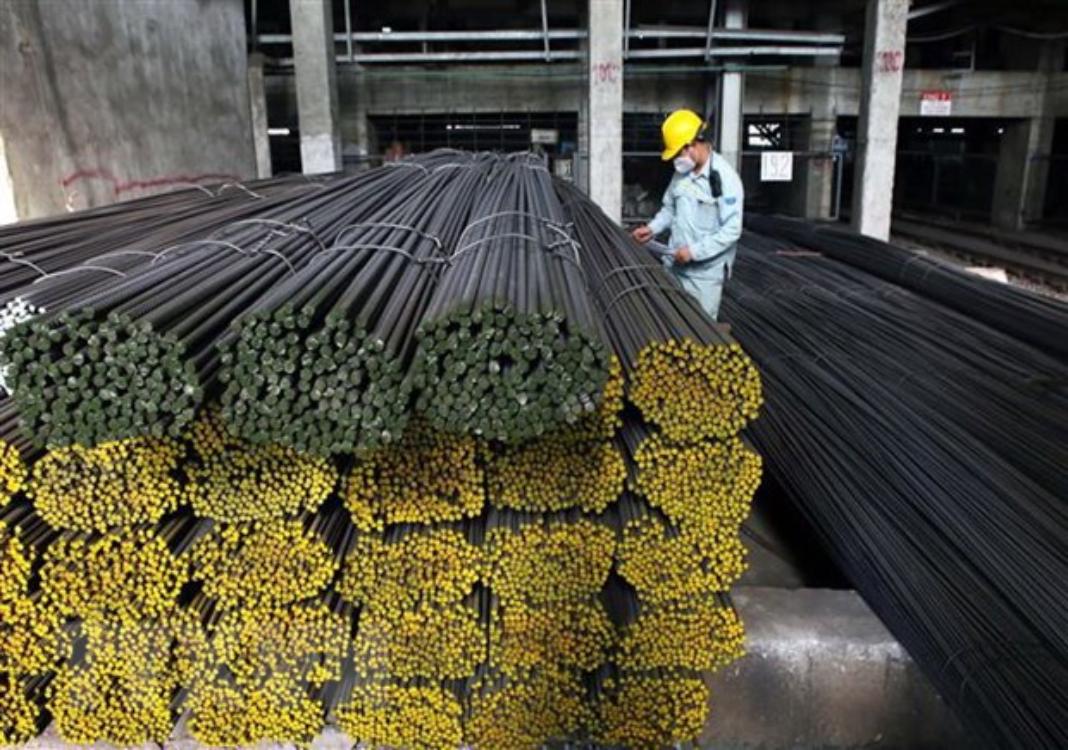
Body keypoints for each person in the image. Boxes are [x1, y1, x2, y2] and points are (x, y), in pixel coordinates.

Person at [631, 109, 744, 321]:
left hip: (703, 276)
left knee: (699, 329)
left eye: (678, 154)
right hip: (673, 266)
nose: (676, 160)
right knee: (670, 323)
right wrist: (652, 228)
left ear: (693, 144)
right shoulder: (681, 174)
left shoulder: (726, 180)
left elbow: (731, 230)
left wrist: (694, 251)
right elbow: (670, 208)